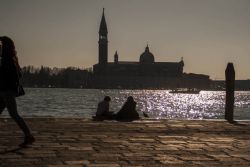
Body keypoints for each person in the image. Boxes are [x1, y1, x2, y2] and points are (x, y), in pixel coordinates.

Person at [0, 36, 35, 147]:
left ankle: (29, 135)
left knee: (14, 114)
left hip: (6, 91)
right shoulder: (12, 59)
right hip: (5, 90)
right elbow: (18, 75)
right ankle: (28, 135)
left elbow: (10, 76)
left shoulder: (7, 60)